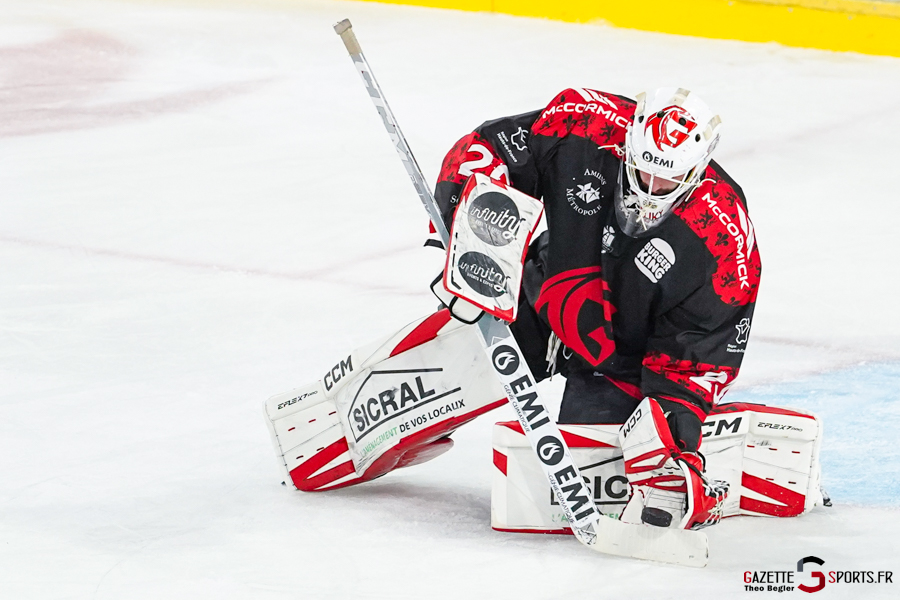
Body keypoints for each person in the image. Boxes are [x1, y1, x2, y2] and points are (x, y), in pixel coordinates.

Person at [431, 87, 761, 530]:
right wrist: (470, 247)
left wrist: (673, 430)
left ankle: (698, 440)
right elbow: (488, 150)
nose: (650, 190)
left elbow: (697, 357)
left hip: (624, 364)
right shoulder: (585, 123)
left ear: (698, 170)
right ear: (629, 145)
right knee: (440, 374)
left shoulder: (724, 240)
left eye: (667, 181)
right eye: (642, 170)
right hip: (546, 299)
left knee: (590, 487)